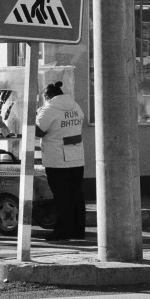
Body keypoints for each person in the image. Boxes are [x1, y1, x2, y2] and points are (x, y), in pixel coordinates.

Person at [35, 81, 86, 241]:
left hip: (57, 159)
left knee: (61, 196)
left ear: (47, 96)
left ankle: (62, 231)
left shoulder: (49, 109)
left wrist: (34, 116)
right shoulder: (75, 106)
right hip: (76, 157)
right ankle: (78, 230)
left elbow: (38, 131)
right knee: (76, 195)